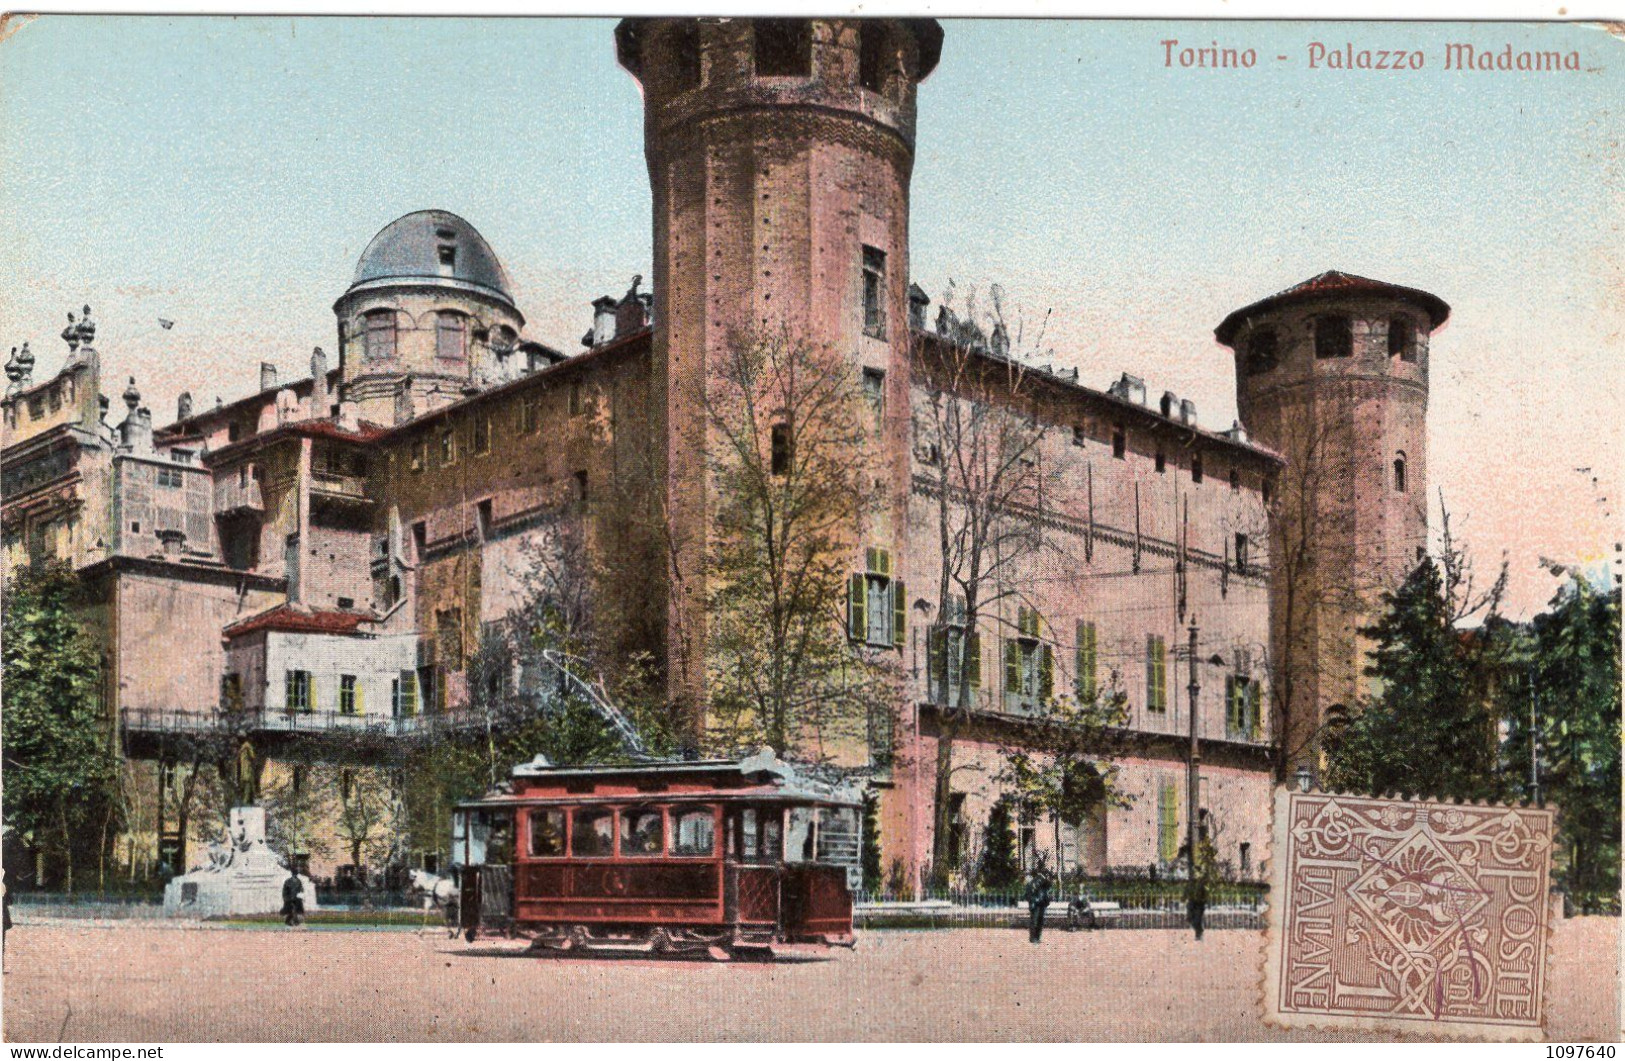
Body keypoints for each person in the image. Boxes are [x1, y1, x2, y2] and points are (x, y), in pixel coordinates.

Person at [1186, 837, 1218, 941]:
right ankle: (1198, 932)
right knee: (1190, 918)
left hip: (1200, 901)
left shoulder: (1204, 878)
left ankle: (1199, 934)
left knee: (1197, 919)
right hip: (1192, 900)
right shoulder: (1194, 880)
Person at [1024, 861, 1053, 944]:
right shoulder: (1032, 882)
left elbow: (1049, 886)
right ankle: (1033, 938)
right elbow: (1028, 895)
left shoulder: (1044, 882)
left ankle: (1037, 937)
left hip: (1042, 903)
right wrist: (1034, 900)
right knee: (1035, 921)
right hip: (1036, 904)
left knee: (1040, 921)